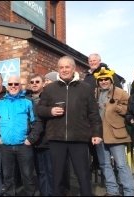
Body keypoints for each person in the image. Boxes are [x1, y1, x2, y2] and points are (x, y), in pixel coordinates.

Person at [36, 56, 103, 196]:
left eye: (67, 67)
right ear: (58, 69)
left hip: (79, 137)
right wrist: (50, 111)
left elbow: (93, 113)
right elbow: (39, 109)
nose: (64, 70)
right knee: (58, 175)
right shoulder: (49, 89)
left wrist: (96, 133)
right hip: (56, 137)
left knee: (83, 174)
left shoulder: (85, 87)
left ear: (73, 68)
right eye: (61, 67)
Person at [0, 75, 37, 196]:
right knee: (8, 175)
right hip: (6, 145)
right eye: (11, 84)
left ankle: (29, 194)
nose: (13, 86)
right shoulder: (0, 103)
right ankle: (10, 194)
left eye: (16, 84)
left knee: (27, 174)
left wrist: (31, 139)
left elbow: (36, 122)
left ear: (20, 86)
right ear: (7, 86)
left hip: (24, 145)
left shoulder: (28, 102)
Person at [93, 68, 134, 196]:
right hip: (100, 133)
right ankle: (112, 191)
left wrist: (114, 106)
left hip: (115, 134)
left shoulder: (121, 93)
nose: (103, 81)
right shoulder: (95, 93)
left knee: (122, 165)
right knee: (104, 164)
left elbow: (130, 108)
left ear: (110, 80)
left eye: (106, 79)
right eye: (101, 79)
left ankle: (129, 192)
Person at [84, 53, 122, 172]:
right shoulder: (87, 76)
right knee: (91, 136)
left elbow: (117, 89)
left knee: (107, 138)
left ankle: (112, 165)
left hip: (105, 110)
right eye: (90, 61)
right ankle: (97, 160)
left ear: (100, 61)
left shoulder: (108, 73)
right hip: (90, 110)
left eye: (95, 60)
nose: (92, 62)